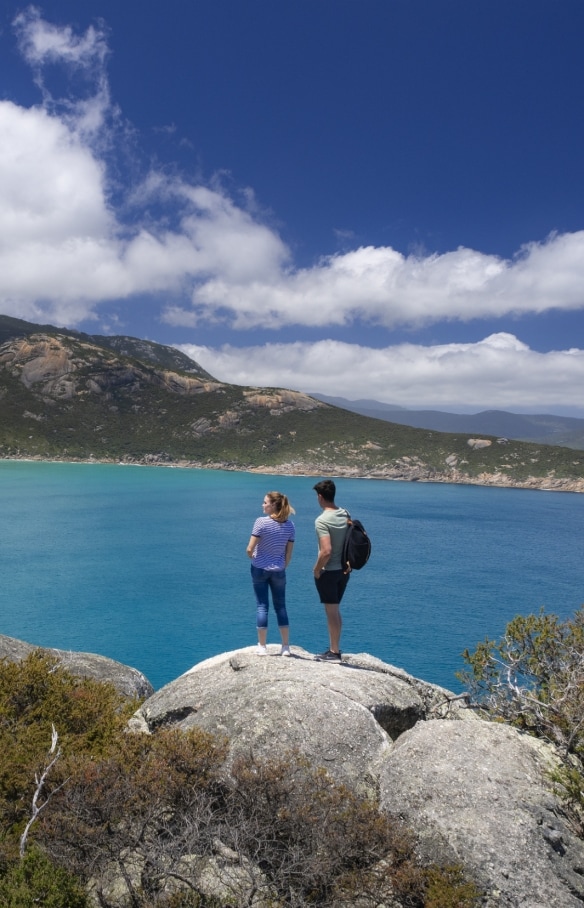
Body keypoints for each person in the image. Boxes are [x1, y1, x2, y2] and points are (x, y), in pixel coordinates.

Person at [246, 491, 295, 656]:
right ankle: (286, 647)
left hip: (259, 569)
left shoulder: (261, 523)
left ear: (274, 505)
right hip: (279, 570)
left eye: (265, 502)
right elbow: (288, 554)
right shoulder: (290, 526)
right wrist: (282, 566)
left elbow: (249, 549)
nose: (263, 505)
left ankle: (262, 646)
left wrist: (252, 557)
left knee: (262, 606)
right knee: (281, 607)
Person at [312, 479, 350, 663]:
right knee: (335, 609)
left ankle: (334, 652)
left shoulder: (322, 520)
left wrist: (317, 569)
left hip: (330, 570)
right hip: (344, 570)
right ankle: (335, 647)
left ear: (320, 497)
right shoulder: (345, 513)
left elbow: (326, 550)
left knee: (331, 610)